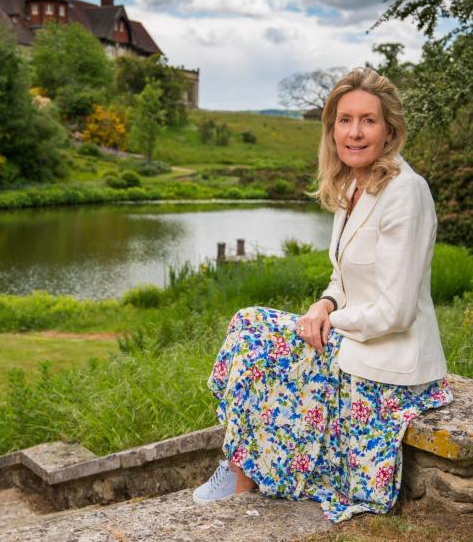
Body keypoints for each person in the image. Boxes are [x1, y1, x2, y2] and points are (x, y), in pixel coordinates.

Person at [191, 67, 453, 522]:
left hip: (392, 365)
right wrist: (324, 304)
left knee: (255, 331)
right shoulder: (354, 185)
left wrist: (328, 324)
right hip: (354, 339)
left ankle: (240, 469)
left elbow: (397, 310)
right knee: (250, 326)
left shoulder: (406, 191)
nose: (354, 132)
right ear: (331, 128)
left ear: (389, 129)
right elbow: (344, 279)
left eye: (368, 120)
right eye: (344, 119)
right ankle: (239, 466)